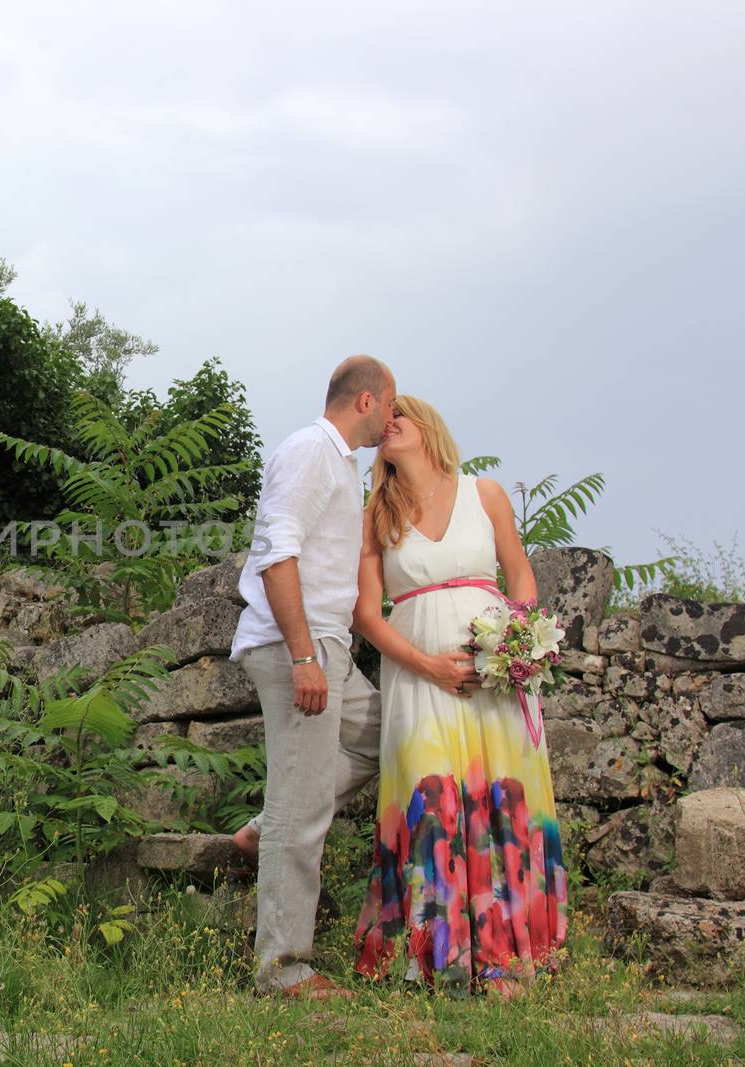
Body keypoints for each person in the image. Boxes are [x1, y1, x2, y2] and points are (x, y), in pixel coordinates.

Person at [230, 356, 477, 1000]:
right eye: (390, 407)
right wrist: (305, 656)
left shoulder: (340, 463)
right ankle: (283, 970)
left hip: (328, 648)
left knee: (377, 736)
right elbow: (276, 553)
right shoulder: (311, 451)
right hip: (299, 651)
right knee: (302, 808)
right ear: (366, 401)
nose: (394, 419)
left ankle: (265, 827)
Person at [350, 395, 568, 995]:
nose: (389, 421)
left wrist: (517, 636)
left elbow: (518, 571)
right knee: (433, 802)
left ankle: (505, 959)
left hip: (493, 675)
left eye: (403, 413)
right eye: (383, 416)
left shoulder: (485, 493)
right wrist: (428, 666)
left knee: (503, 801)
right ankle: (435, 959)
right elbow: (367, 615)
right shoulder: (377, 514)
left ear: (428, 427)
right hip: (418, 677)